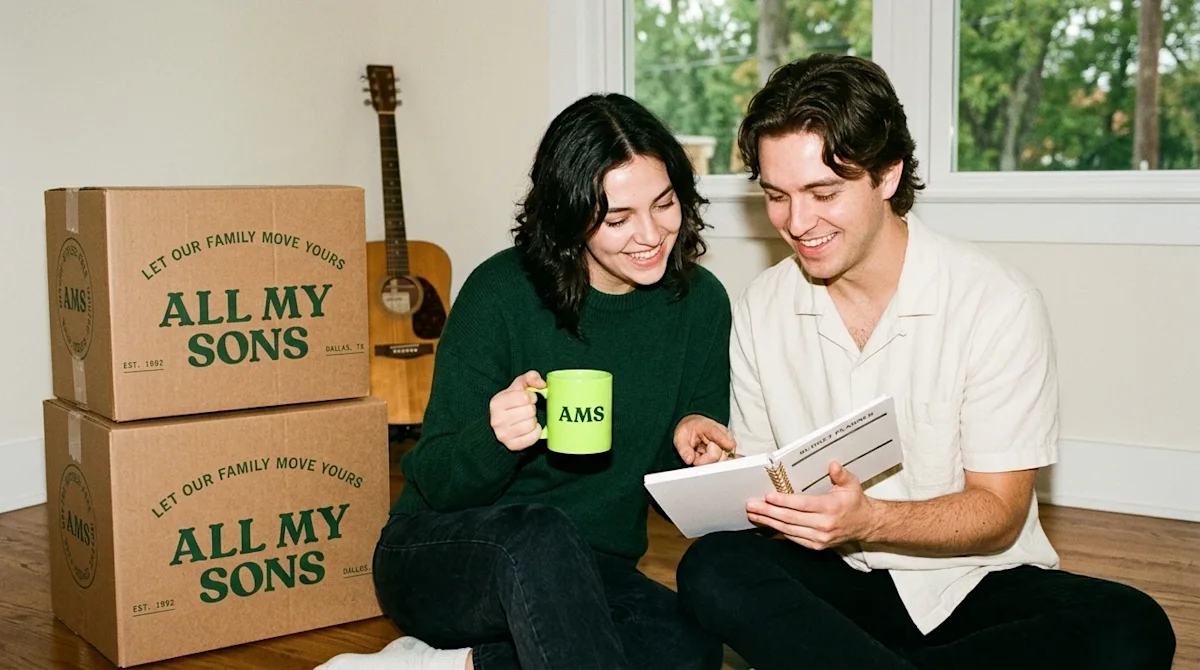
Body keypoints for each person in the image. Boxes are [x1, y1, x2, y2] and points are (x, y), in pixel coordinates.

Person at [675, 53, 1177, 670]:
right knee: (712, 566)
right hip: (835, 584)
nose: (796, 222)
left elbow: (997, 513)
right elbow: (765, 481)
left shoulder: (996, 301)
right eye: (776, 196)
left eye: (822, 192)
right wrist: (727, 468)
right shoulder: (762, 306)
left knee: (1131, 626)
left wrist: (870, 517)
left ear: (888, 174)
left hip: (969, 582)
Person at [317, 92, 734, 670]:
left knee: (685, 646)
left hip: (590, 568)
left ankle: (454, 666)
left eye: (665, 204)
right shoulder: (501, 293)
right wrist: (495, 438)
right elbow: (434, 477)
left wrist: (692, 445)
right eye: (617, 218)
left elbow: (670, 494)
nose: (651, 234)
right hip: (442, 554)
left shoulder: (701, 304)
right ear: (569, 217)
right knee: (540, 535)